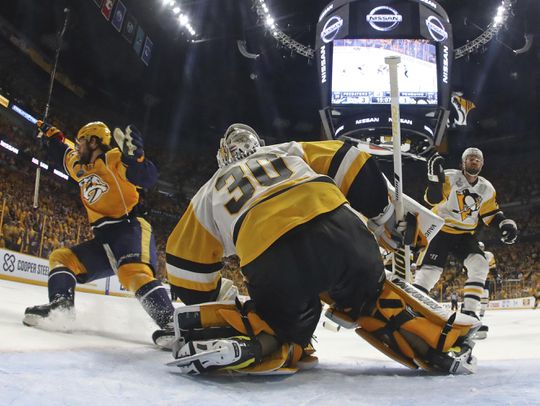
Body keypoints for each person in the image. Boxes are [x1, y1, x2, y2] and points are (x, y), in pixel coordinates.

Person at [164, 124, 479, 375]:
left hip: (271, 256)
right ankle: (440, 345)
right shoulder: (287, 151)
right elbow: (351, 159)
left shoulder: (208, 192)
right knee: (375, 301)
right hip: (341, 230)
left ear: (222, 157)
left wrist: (209, 301)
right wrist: (382, 215)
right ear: (257, 143)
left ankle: (250, 342)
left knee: (285, 327)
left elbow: (184, 265)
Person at [23, 121, 175, 347]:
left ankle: (173, 324)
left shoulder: (114, 158)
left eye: (81, 142)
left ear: (94, 141)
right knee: (62, 258)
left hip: (128, 226)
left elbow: (146, 178)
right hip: (103, 239)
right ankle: (61, 309)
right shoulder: (80, 167)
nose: (77, 147)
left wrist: (136, 160)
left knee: (133, 273)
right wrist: (48, 134)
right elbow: (63, 152)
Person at [414, 148, 518, 322]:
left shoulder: (486, 188)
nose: (474, 160)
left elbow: (491, 214)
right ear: (462, 163)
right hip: (441, 228)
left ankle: (469, 313)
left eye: (477, 158)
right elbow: (432, 200)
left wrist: (504, 224)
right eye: (470, 158)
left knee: (480, 265)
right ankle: (413, 308)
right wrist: (433, 178)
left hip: (464, 234)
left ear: (482, 163)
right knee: (429, 273)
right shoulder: (449, 177)